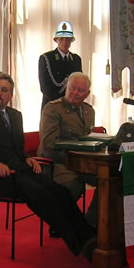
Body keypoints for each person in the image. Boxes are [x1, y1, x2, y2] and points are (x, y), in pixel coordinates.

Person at [0, 72, 96, 258]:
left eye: (4, 90)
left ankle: (90, 235)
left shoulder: (15, 115)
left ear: (10, 96)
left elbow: (14, 148)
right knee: (42, 194)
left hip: (20, 170)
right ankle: (82, 245)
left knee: (60, 192)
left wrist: (26, 158)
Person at [38, 72, 98, 228]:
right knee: (73, 186)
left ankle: (90, 223)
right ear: (66, 88)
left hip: (83, 163)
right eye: (72, 88)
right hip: (59, 162)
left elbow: (88, 139)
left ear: (87, 94)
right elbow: (49, 144)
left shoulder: (89, 111)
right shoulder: (53, 109)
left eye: (80, 90)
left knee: (108, 180)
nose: (75, 93)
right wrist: (76, 157)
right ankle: (58, 224)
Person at [38, 21, 82, 109]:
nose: (65, 42)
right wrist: (62, 104)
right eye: (61, 39)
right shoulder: (46, 58)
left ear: (71, 40)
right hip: (52, 106)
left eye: (68, 39)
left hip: (72, 106)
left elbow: (79, 84)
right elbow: (45, 87)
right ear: (56, 40)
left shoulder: (76, 59)